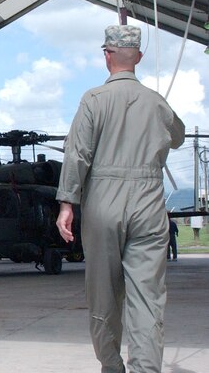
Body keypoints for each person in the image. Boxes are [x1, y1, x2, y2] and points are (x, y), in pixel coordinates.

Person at [56, 24, 185, 373]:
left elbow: (77, 154)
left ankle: (112, 367)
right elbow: (179, 137)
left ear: (106, 56)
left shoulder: (93, 99)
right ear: (138, 58)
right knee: (147, 298)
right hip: (148, 202)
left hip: (103, 201)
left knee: (103, 296)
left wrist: (67, 202)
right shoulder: (157, 103)